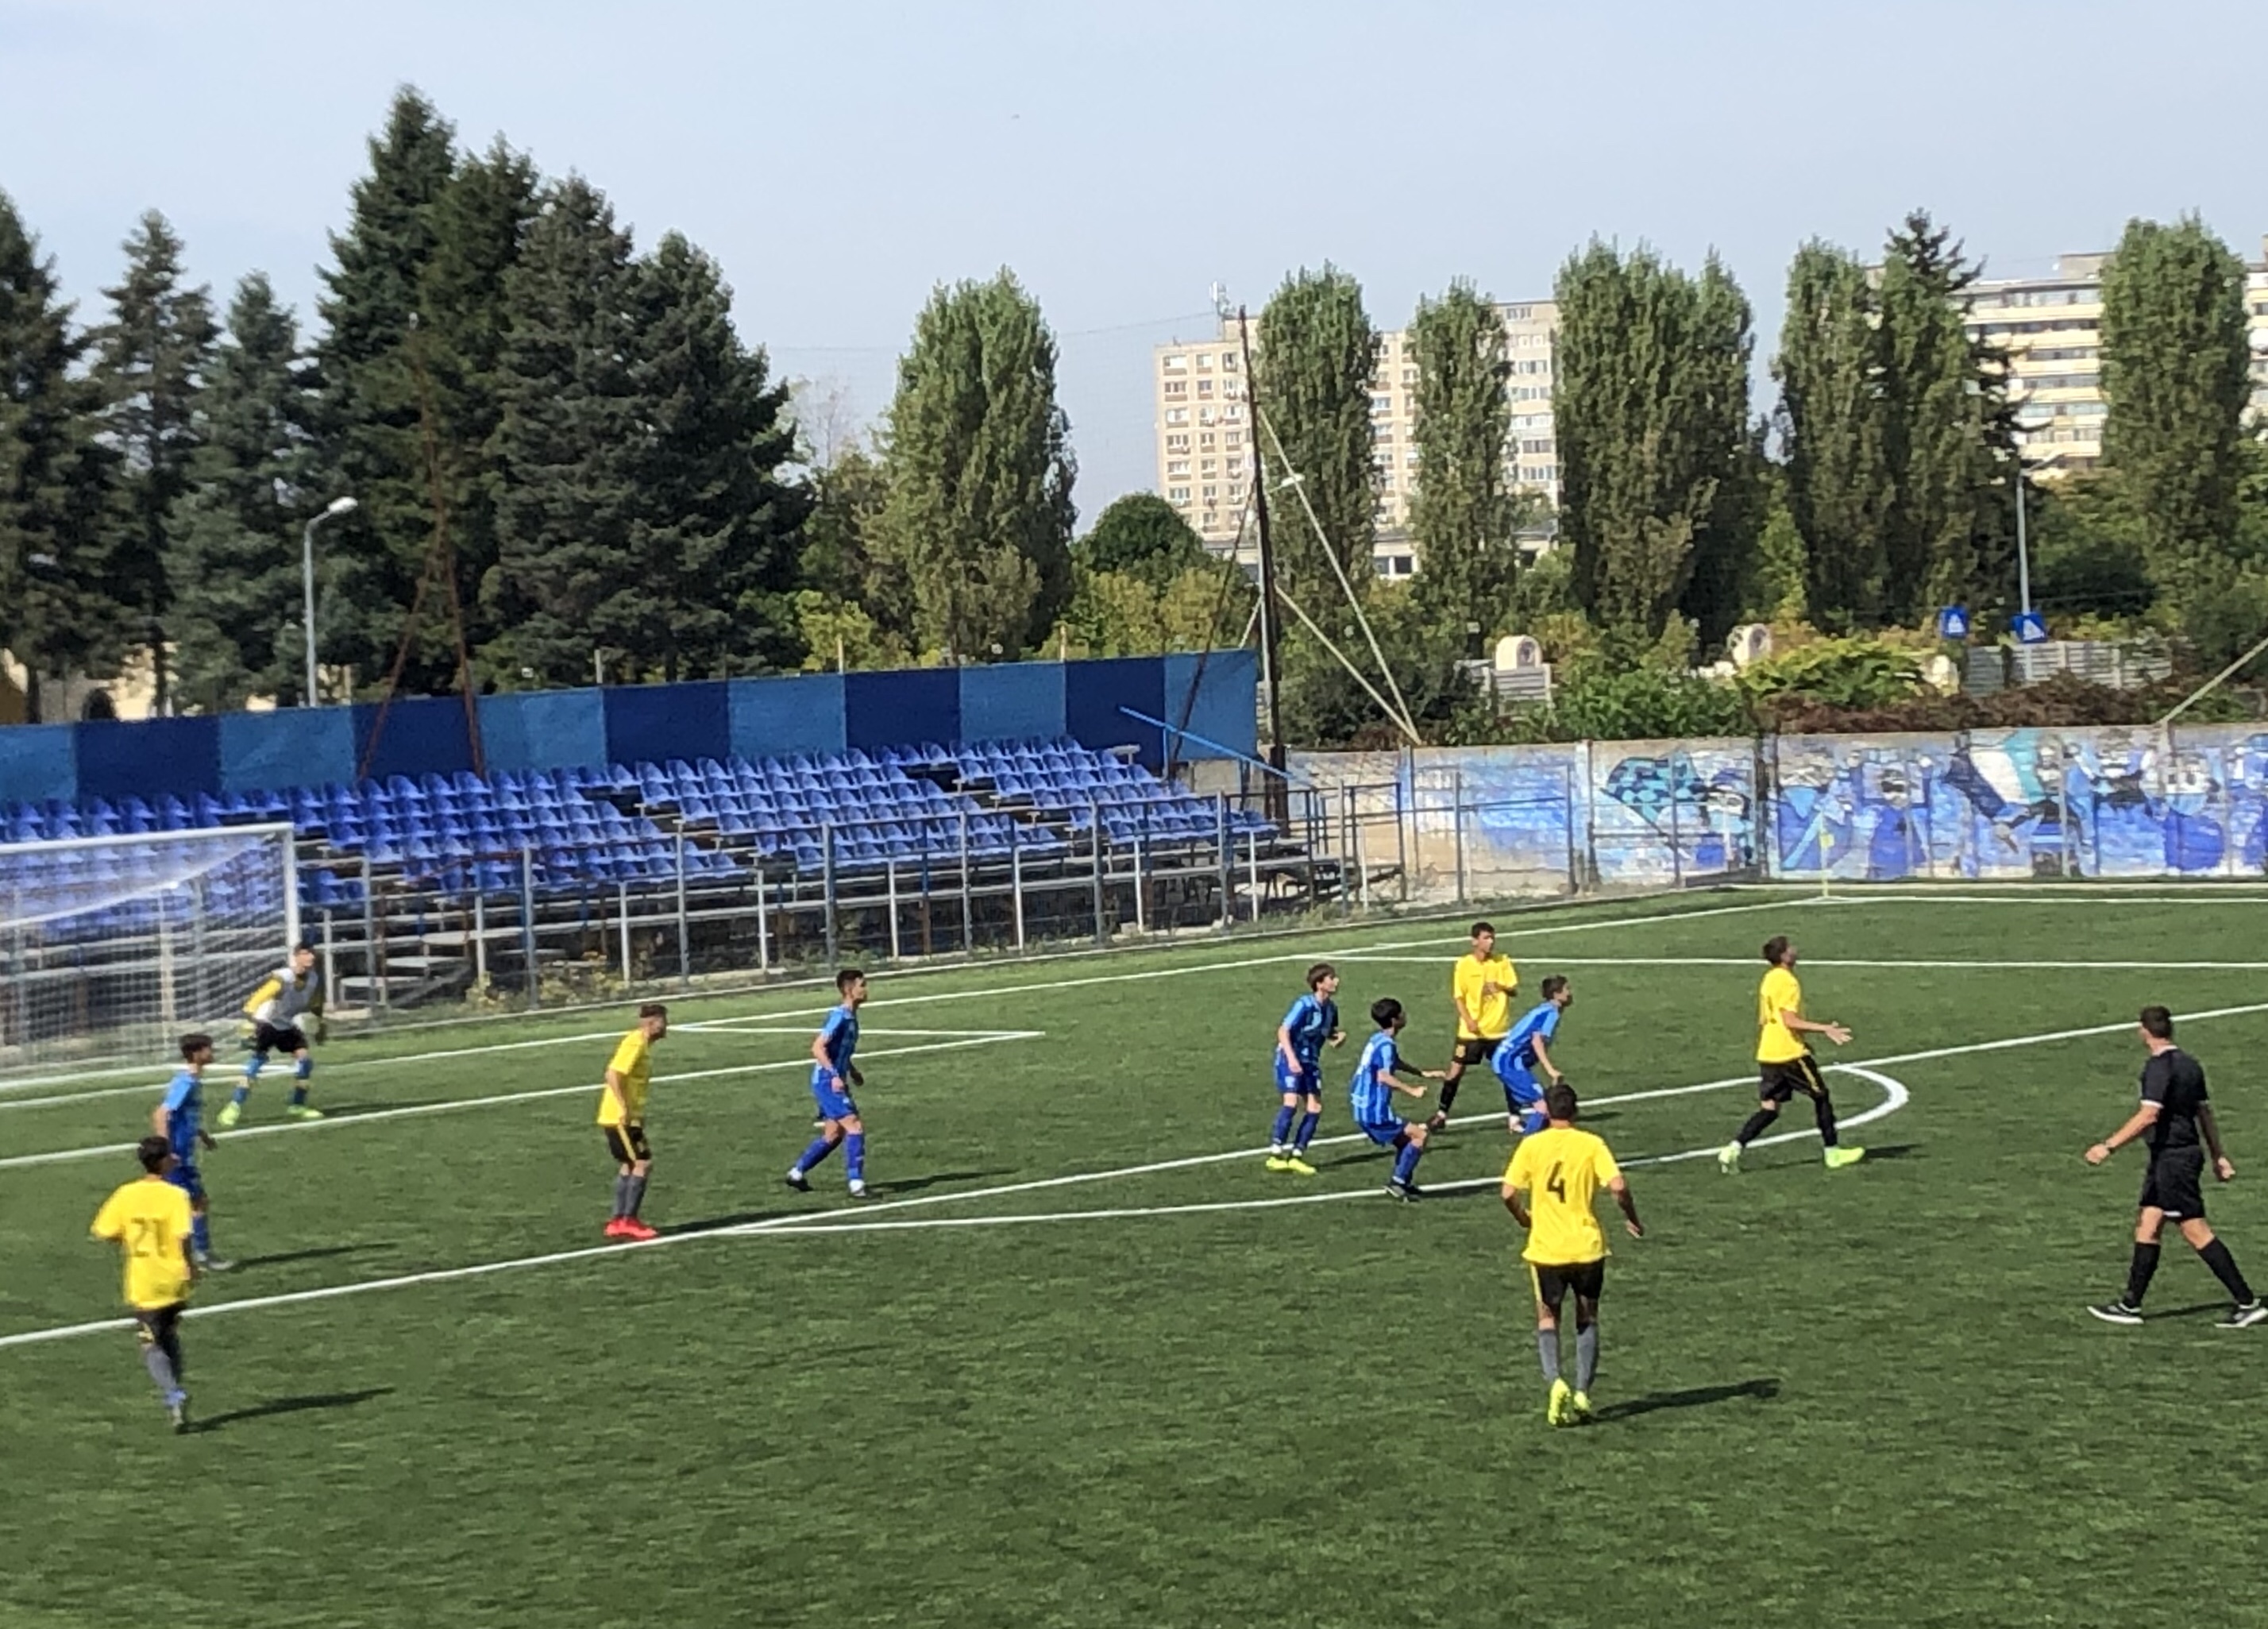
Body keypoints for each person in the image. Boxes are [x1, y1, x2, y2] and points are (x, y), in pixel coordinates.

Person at [2085, 1006, 2267, 1329]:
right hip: (2171, 1158)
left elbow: (2148, 1115)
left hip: (2174, 1160)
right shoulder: (2190, 1064)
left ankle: (2247, 1302)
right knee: (2148, 1224)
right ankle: (2130, 1306)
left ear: (2144, 1031)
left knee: (2195, 1230)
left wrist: (2108, 1146)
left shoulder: (2158, 1068)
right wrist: (2218, 1155)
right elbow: (2204, 1113)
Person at [1502, 1083, 1643, 1426]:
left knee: (1547, 1317)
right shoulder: (1592, 1144)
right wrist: (1632, 1218)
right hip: (1587, 1248)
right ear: (1576, 1111)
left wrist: (1524, 1218)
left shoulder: (1532, 1145)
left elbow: (1507, 1192)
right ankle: (1582, 1392)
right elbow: (1618, 1187)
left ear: (1547, 1112)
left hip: (1547, 1249)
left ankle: (1555, 1382)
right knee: (1587, 1316)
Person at [1717, 936, 1865, 1173]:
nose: (1795, 950)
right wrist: (1825, 1029)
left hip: (1768, 1052)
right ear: (1785, 955)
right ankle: (1833, 1152)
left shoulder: (1769, 978)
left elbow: (1767, 1018)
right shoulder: (1788, 982)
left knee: (1769, 1109)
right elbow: (1790, 1021)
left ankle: (1733, 1149)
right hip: (1789, 1054)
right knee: (1821, 1096)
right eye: (1790, 948)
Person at [91, 1135, 201, 1433]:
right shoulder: (176, 1195)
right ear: (162, 1161)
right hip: (174, 1279)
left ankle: (174, 1394)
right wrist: (190, 1265)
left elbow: (104, 1231)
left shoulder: (126, 1194)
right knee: (168, 1333)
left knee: (150, 1343)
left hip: (145, 1280)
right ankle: (176, 1392)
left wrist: (129, 1240)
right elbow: (183, 1235)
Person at [1350, 998, 1444, 1202]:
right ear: (1395, 1020)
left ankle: (1404, 1183)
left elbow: (1394, 1062)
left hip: (1362, 1106)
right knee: (1420, 1136)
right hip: (1374, 1110)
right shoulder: (1386, 1046)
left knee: (1406, 1141)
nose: (1404, 1015)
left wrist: (1422, 1073)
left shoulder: (1377, 1039)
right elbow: (1383, 1076)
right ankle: (1397, 1183)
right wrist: (1412, 1091)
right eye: (1401, 1013)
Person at [220, 944, 326, 1125]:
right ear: (296, 957)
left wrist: (320, 1023)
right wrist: (251, 1022)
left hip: (285, 1024)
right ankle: (233, 1107)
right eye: (305, 953)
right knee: (255, 1065)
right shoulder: (283, 977)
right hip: (266, 1023)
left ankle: (297, 1105)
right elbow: (256, 1000)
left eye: (312, 953)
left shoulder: (313, 978)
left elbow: (315, 1003)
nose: (311, 957)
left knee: (305, 1062)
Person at [788, 970, 870, 1199]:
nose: (866, 990)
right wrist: (834, 1075)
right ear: (849, 989)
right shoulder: (839, 1016)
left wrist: (851, 1070)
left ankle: (796, 1173)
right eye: (862, 985)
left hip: (834, 1080)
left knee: (834, 1135)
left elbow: (838, 1051)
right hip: (827, 1082)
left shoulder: (851, 1018)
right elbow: (818, 1047)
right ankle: (856, 1183)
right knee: (854, 1126)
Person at [152, 1033, 230, 1272]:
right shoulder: (186, 1082)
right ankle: (201, 1255)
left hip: (182, 1154)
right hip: (178, 1158)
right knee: (196, 1204)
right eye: (208, 1049)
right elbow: (161, 1114)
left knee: (191, 1204)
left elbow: (184, 1117)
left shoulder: (191, 1080)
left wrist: (202, 1135)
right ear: (196, 1054)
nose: (212, 1053)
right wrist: (166, 1151)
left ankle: (190, 1255)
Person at [1431, 921, 1517, 1132]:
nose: (1491, 942)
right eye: (1486, 938)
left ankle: (1514, 1117)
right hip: (1471, 1032)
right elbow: (1459, 997)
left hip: (1498, 1030)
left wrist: (1500, 986)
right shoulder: (1464, 965)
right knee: (1455, 1071)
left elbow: (1513, 990)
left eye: (1492, 938)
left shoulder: (1502, 962)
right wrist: (1468, 1020)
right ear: (1475, 941)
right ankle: (1441, 1114)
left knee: (1509, 1072)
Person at [599, 1004, 669, 1241]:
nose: (666, 1026)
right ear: (652, 1022)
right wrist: (625, 1108)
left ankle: (617, 1221)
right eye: (663, 1021)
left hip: (625, 1117)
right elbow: (612, 1074)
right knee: (642, 1163)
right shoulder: (635, 1043)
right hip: (621, 1118)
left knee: (629, 1164)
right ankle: (629, 1220)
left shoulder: (641, 1044)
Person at [1267, 963, 1344, 1175]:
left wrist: (1336, 1038)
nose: (1336, 981)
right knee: (1291, 1103)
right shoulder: (1304, 1004)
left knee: (1315, 1108)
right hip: (1290, 1058)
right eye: (1331, 978)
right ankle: (1275, 1154)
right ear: (1320, 984)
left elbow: (1328, 1032)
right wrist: (1292, 1059)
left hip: (1310, 1061)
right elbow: (1283, 1031)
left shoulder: (1331, 1009)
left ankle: (1297, 1156)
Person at [1493, 976, 1573, 1138]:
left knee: (1543, 1103)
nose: (1570, 993)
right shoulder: (1551, 1013)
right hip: (1509, 1063)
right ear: (1556, 994)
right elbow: (1537, 1041)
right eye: (1567, 989)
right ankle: (1530, 1144)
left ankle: (1535, 1133)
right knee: (1543, 1105)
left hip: (1507, 1061)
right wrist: (1550, 1070)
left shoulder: (1544, 1010)